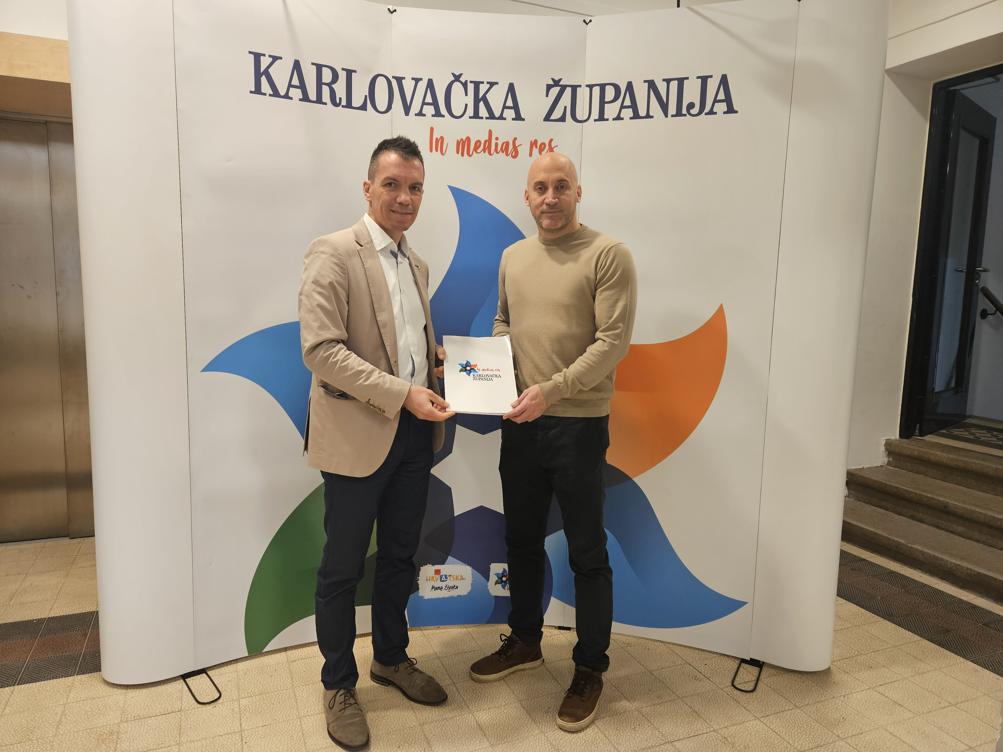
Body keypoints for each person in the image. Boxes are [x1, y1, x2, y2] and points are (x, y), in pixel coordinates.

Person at [469, 152, 637, 733]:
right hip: (521, 422)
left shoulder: (608, 254)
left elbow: (612, 343)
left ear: (578, 192)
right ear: (527, 196)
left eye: (561, 186)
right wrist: (485, 371)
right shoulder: (513, 257)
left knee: (587, 551)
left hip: (578, 424)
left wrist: (552, 390)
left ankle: (589, 668)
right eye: (540, 187)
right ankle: (524, 641)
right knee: (520, 540)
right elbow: (503, 322)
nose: (550, 197)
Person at [299, 136, 454, 750]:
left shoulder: (416, 264)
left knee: (398, 556)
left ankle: (390, 657)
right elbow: (321, 350)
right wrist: (402, 391)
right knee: (342, 567)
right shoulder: (334, 252)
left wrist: (435, 365)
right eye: (392, 185)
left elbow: (400, 346)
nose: (404, 198)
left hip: (414, 435)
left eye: (415, 187)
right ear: (368, 189)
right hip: (357, 436)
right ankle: (338, 684)